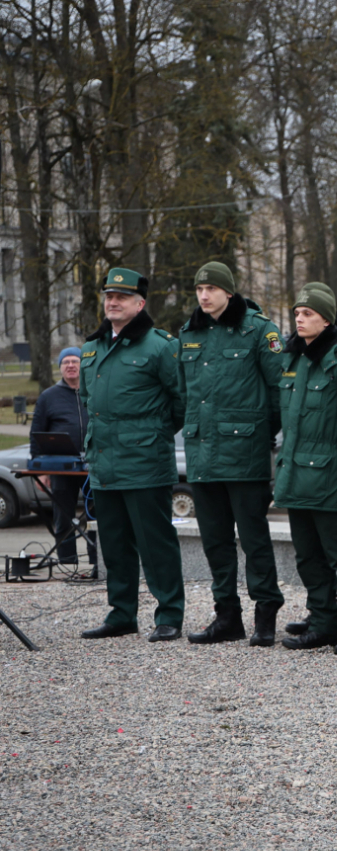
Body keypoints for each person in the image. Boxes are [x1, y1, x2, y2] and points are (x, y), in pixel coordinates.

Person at [176, 262, 287, 646]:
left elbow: (278, 392)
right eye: (199, 289)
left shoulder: (259, 330)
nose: (204, 296)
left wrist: (258, 433)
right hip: (203, 454)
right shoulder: (190, 333)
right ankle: (226, 616)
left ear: (229, 291)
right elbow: (184, 392)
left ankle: (266, 612)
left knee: (254, 539)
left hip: (245, 454)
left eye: (211, 288)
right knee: (215, 541)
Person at [78, 268, 186, 642]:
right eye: (109, 295)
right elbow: (87, 401)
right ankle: (121, 613)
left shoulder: (159, 346)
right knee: (114, 544)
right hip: (104, 461)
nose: (112, 302)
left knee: (155, 542)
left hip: (145, 462)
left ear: (140, 304)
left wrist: (151, 435)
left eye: (121, 297)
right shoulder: (92, 348)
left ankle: (169, 614)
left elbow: (180, 401)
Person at [273, 288, 337, 653]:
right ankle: (321, 622)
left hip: (331, 476)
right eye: (297, 312)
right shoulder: (293, 359)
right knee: (308, 556)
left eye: (307, 313)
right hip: (296, 475)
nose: (299, 318)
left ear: (327, 319)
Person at [29, 346, 87, 567]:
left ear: (83, 364)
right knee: (64, 518)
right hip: (61, 467)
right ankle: (68, 564)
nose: (70, 365)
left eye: (75, 361)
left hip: (95, 467)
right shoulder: (48, 397)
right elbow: (36, 434)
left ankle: (99, 562)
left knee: (98, 518)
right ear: (60, 367)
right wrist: (41, 470)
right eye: (66, 362)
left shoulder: (94, 392)